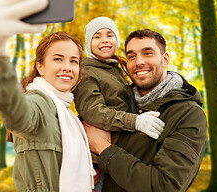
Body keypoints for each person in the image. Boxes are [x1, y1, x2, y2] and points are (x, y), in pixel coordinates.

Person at [0, 0, 95, 192]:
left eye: (74, 61)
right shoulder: (39, 102)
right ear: (40, 67)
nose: (68, 67)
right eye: (58, 59)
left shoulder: (66, 112)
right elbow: (15, 110)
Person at [83, 29, 207, 192]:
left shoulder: (188, 115)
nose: (139, 62)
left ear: (165, 59)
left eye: (148, 53)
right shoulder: (116, 101)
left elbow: (165, 186)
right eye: (131, 56)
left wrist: (104, 149)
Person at [73, 17, 165, 191]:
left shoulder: (115, 68)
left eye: (110, 35)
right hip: (97, 160)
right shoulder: (87, 72)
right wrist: (135, 121)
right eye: (97, 36)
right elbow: (93, 112)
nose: (104, 40)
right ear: (88, 43)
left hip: (119, 151)